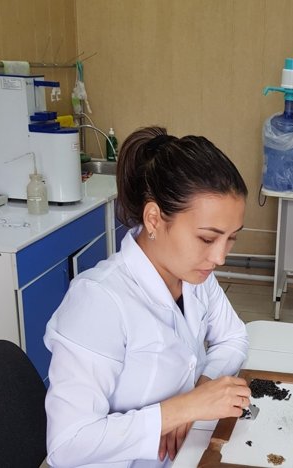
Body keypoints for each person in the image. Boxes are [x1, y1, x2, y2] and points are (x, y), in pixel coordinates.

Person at [44, 126, 252, 467]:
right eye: (207, 238)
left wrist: (200, 392)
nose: (219, 257)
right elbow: (67, 445)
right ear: (154, 218)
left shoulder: (195, 275)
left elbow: (233, 337)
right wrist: (181, 410)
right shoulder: (99, 301)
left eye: (231, 238)